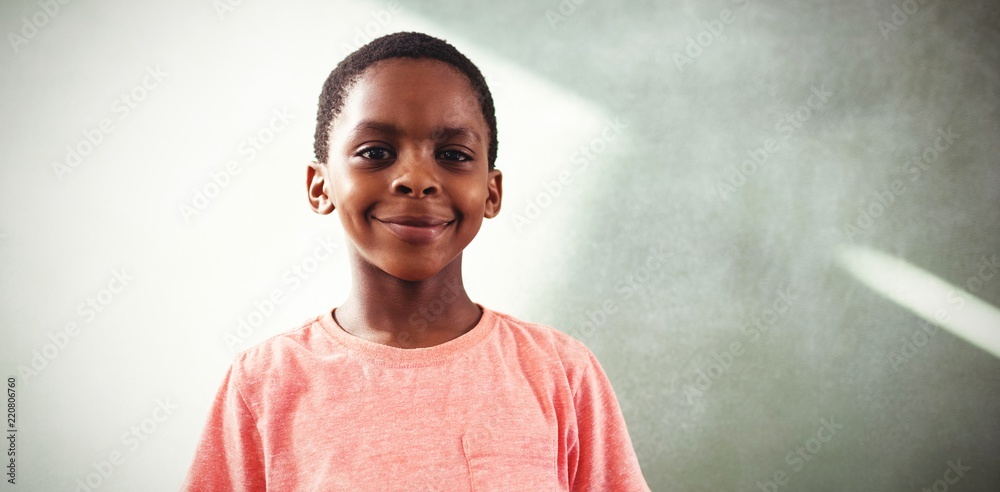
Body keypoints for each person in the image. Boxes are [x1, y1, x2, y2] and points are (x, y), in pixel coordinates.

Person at [182, 31, 649, 491]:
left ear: (492, 191)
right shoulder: (264, 383)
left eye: (452, 155)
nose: (416, 179)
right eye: (376, 153)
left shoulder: (560, 374)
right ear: (320, 185)